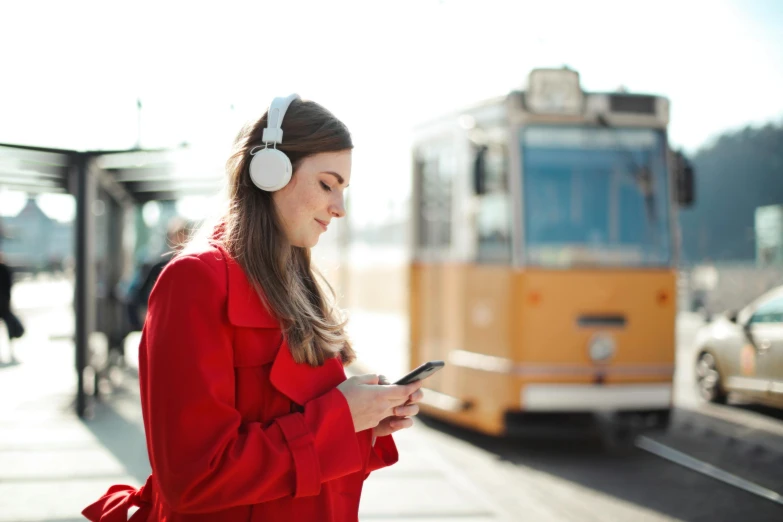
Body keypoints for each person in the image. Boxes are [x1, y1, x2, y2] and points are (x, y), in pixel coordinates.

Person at [82, 94, 424, 522]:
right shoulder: (195, 282)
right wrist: (339, 418)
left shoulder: (298, 285)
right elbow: (193, 478)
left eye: (343, 190)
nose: (339, 208)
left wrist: (365, 422)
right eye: (327, 184)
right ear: (270, 172)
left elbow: (298, 453)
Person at [125, 217, 190, 331]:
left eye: (183, 235)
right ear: (171, 238)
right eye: (177, 235)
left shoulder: (193, 266)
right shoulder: (158, 266)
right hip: (163, 322)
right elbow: (137, 295)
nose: (181, 240)